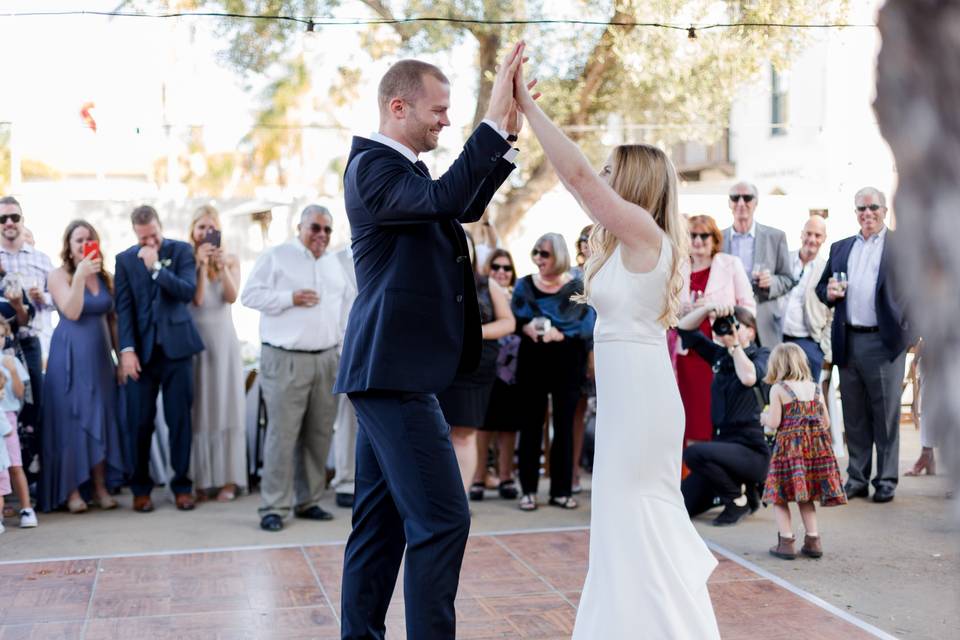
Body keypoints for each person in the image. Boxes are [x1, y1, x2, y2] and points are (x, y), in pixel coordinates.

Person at [513, 45, 720, 638]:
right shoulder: (629, 242)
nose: (598, 178)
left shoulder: (643, 232)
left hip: (642, 398)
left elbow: (576, 178)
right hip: (632, 391)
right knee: (619, 519)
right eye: (603, 171)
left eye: (610, 172)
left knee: (638, 516)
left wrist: (528, 107)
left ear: (630, 182)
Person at [334, 46, 523, 640]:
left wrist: (504, 137)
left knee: (380, 526)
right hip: (394, 378)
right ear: (398, 107)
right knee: (443, 521)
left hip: (390, 374)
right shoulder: (373, 168)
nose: (446, 120)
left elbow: (460, 203)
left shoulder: (405, 172)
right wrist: (490, 123)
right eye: (439, 110)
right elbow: (448, 201)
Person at [241, 205, 350, 532]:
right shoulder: (277, 256)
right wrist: (290, 297)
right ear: (299, 227)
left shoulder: (334, 264)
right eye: (315, 228)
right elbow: (249, 295)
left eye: (327, 230)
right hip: (285, 358)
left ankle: (309, 500)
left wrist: (343, 350)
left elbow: (342, 309)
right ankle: (273, 506)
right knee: (282, 434)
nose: (321, 235)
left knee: (319, 433)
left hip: (327, 358)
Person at [816, 187, 909, 503]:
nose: (867, 213)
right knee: (854, 414)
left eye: (873, 207)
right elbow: (821, 290)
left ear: (884, 210)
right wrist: (829, 292)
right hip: (849, 340)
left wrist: (907, 334)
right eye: (861, 208)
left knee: (885, 415)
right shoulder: (841, 247)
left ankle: (886, 479)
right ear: (855, 212)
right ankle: (856, 478)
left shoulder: (901, 246)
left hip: (884, 342)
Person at [116, 205, 204, 513]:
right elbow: (123, 309)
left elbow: (186, 292)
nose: (149, 242)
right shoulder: (124, 260)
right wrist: (125, 351)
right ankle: (141, 488)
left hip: (177, 350)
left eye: (153, 235)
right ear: (135, 234)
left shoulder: (180, 252)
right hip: (142, 354)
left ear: (160, 227)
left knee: (179, 420)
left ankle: (182, 485)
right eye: (143, 238)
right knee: (139, 422)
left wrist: (156, 268)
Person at [38, 220, 124, 514]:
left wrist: (120, 357)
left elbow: (113, 320)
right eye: (78, 240)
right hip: (69, 356)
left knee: (100, 418)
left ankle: (99, 487)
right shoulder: (57, 275)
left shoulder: (106, 277)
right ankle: (72, 490)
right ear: (69, 247)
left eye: (89, 239)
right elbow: (71, 311)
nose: (84, 243)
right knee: (72, 422)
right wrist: (79, 278)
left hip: (100, 357)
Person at [512, 232, 595, 511]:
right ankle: (528, 491)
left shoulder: (577, 287)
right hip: (532, 356)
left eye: (544, 253)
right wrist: (525, 327)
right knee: (530, 423)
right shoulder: (524, 285)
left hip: (567, 359)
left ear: (559, 256)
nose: (538, 258)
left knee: (564, 424)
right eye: (536, 252)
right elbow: (515, 318)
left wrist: (561, 333)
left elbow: (586, 325)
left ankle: (561, 490)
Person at [678, 304, 770, 526]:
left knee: (693, 454)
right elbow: (683, 328)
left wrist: (735, 345)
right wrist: (709, 309)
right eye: (728, 326)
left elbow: (749, 377)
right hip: (723, 449)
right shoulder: (720, 355)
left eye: (737, 325)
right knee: (680, 506)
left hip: (752, 451)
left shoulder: (763, 354)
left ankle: (736, 500)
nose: (731, 330)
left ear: (751, 331)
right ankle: (743, 493)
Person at [438, 232, 515, 494]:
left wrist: (475, 332)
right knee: (439, 434)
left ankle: (460, 499)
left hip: (476, 368)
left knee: (465, 433)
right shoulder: (432, 282)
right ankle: (440, 498)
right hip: (440, 367)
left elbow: (508, 322)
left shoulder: (486, 284)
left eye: (464, 247)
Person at [761, 343, 846, 560]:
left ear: (777, 365)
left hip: (789, 452)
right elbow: (825, 421)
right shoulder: (815, 388)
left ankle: (786, 542)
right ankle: (813, 540)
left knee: (779, 496)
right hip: (814, 453)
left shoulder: (779, 389)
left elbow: (774, 422)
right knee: (805, 496)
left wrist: (763, 418)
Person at [677, 214, 755, 446]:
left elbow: (748, 308)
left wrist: (716, 312)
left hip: (718, 351)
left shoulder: (730, 264)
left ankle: (715, 464)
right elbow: (665, 306)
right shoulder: (679, 266)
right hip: (687, 352)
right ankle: (688, 472)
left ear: (715, 238)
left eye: (704, 235)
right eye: (693, 235)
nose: (698, 241)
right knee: (688, 414)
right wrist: (685, 310)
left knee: (713, 412)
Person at [186, 206, 246, 502]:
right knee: (199, 408)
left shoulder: (231, 259)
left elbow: (232, 297)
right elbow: (196, 300)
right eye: (201, 228)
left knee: (225, 404)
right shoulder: (186, 259)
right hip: (197, 341)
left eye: (211, 227)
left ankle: (229, 479)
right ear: (193, 231)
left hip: (224, 341)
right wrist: (199, 265)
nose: (205, 233)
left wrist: (221, 267)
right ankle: (199, 478)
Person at [0, 196, 54, 486]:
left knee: (34, 411)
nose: (9, 223)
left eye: (14, 217)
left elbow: (56, 299)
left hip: (32, 343)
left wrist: (39, 298)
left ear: (22, 220)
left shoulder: (40, 259)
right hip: (1, 346)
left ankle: (33, 483)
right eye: (3, 219)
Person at [472, 249, 522, 500]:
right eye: (496, 267)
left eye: (507, 268)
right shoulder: (481, 292)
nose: (502, 272)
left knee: (508, 426)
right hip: (486, 367)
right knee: (482, 425)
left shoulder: (520, 296)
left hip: (513, 372)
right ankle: (478, 476)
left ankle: (506, 476)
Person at [721, 183, 794, 348]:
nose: (741, 203)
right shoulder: (717, 239)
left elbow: (788, 279)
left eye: (747, 198)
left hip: (764, 322)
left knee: (767, 372)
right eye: (735, 198)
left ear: (756, 202)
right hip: (728, 322)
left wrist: (772, 282)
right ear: (729, 203)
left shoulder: (776, 237)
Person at [781, 215, 833, 380]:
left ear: (824, 239)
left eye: (817, 235)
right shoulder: (784, 259)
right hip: (777, 338)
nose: (812, 239)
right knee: (772, 395)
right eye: (808, 233)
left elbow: (833, 312)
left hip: (809, 342)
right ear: (801, 234)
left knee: (806, 398)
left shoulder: (826, 269)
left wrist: (823, 347)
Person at [330, 244, 359, 509]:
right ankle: (345, 480)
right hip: (343, 350)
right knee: (346, 420)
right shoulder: (335, 259)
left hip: (377, 347)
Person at [0, 319, 36, 528]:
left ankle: (26, 508)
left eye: (2, 336)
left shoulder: (10, 361)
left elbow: (21, 393)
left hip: (9, 418)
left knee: (15, 464)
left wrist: (12, 371)